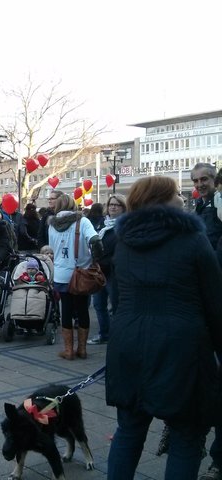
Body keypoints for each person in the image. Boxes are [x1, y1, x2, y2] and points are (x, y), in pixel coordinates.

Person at [106, 176, 222, 480]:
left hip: (128, 343)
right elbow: (215, 302)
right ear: (161, 200)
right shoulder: (193, 239)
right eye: (176, 193)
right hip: (182, 347)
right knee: (187, 435)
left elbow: (117, 299)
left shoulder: (123, 241)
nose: (182, 198)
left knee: (128, 430)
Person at [192, 163, 222, 480]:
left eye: (205, 179)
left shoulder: (218, 207)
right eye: (197, 180)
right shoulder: (199, 208)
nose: (201, 184)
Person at [47, 193, 102, 360]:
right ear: (73, 205)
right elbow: (95, 240)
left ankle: (68, 350)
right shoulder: (82, 221)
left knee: (66, 309)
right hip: (81, 273)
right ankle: (82, 349)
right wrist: (96, 259)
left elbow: (52, 249)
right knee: (82, 309)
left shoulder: (52, 225)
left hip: (61, 274)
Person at [88, 194, 126, 346]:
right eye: (111, 204)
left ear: (123, 207)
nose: (113, 207)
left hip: (114, 272)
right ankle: (104, 333)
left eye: (117, 205)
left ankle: (119, 335)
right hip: (100, 271)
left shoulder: (124, 226)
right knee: (98, 304)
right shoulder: (102, 225)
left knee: (116, 305)